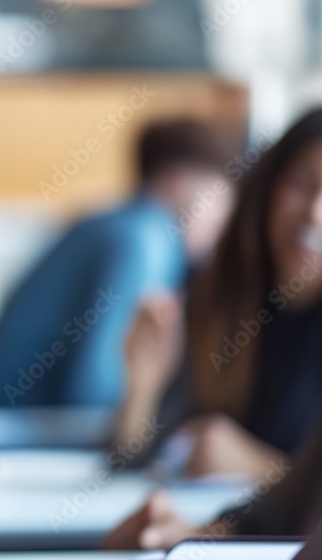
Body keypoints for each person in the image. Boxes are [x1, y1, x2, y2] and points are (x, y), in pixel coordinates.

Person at [105, 108, 322, 549]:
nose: (315, 213)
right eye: (301, 184)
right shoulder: (214, 300)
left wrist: (261, 466)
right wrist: (141, 389)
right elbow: (131, 456)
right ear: (267, 188)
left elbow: (301, 501)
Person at [0, 119, 232, 408]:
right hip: (12, 431)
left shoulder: (114, 222)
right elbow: (95, 392)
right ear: (179, 180)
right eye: (219, 197)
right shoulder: (147, 239)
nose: (222, 220)